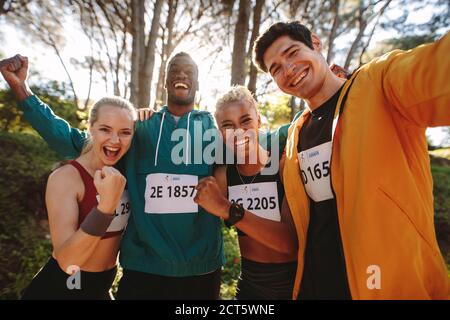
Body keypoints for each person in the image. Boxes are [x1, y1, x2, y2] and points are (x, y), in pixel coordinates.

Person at [0, 53, 224, 299]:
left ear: (199, 83)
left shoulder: (213, 132)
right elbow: (69, 138)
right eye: (175, 70)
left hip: (199, 270)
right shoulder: (139, 131)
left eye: (189, 70)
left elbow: (249, 155)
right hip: (141, 271)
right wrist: (21, 89)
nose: (182, 75)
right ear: (165, 81)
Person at [252, 21, 450, 299]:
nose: (288, 69)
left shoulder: (379, 83)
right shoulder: (296, 134)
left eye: (293, 52)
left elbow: (437, 70)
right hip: (315, 287)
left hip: (388, 287)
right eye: (275, 68)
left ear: (316, 43)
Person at [0, 51, 138, 300]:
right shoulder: (67, 177)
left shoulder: (124, 167)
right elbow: (68, 261)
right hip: (62, 288)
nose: (115, 140)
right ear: (90, 129)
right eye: (105, 129)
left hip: (100, 286)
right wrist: (106, 207)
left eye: (125, 132)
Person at [194, 86, 298, 299]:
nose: (238, 132)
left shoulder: (283, 165)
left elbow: (288, 243)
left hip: (294, 285)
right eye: (228, 125)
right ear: (220, 134)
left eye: (245, 121)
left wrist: (227, 209)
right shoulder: (223, 177)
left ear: (259, 121)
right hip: (249, 286)